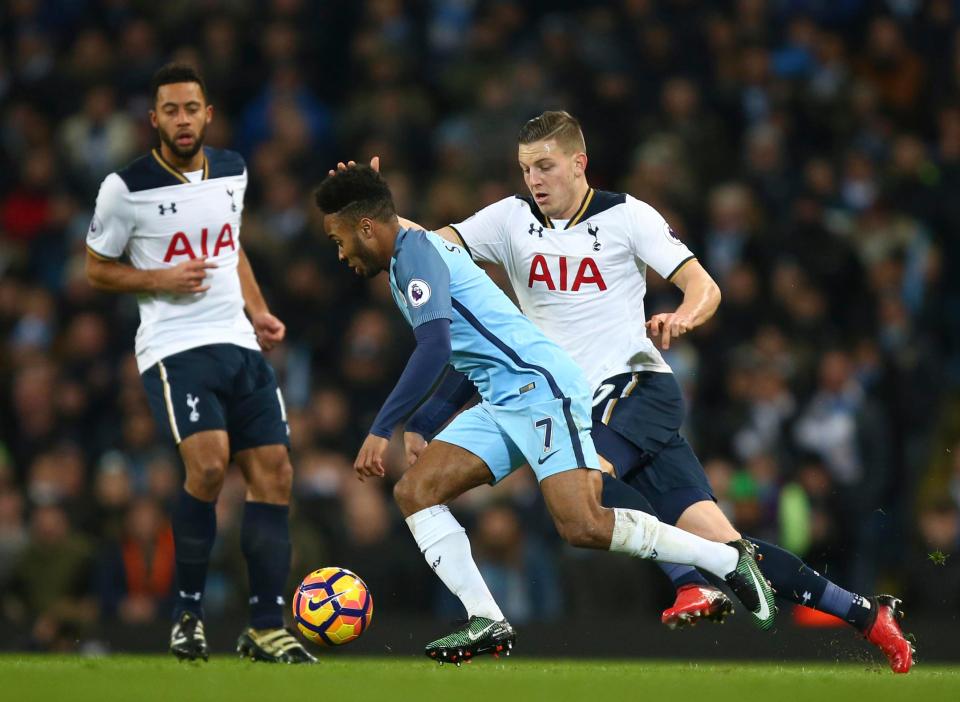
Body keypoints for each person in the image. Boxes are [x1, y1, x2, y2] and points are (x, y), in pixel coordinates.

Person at [400, 110, 913, 673]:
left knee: (585, 488)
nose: (535, 181)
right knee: (727, 547)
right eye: (526, 170)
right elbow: (429, 247)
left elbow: (703, 285)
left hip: (633, 390)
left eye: (546, 166)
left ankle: (690, 584)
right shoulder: (507, 220)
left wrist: (683, 318)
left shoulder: (628, 217)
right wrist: (375, 211)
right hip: (577, 404)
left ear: (579, 162)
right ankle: (866, 614)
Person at [314, 165, 776, 664]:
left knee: (583, 526)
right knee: (415, 491)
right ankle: (485, 618)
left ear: (366, 228)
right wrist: (425, 423)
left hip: (542, 390)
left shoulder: (417, 255)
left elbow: (434, 345)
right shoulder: (407, 256)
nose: (340, 255)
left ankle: (728, 559)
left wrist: (384, 427)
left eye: (340, 241)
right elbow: (461, 347)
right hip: (502, 398)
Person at [85, 63, 313, 664]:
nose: (182, 120)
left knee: (276, 474)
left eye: (192, 109)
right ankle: (187, 614)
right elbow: (95, 267)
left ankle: (266, 625)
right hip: (174, 345)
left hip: (236, 339)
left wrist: (259, 311)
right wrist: (159, 277)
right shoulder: (124, 187)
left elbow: (229, 245)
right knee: (209, 466)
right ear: (153, 118)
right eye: (171, 110)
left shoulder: (234, 169)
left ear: (207, 114)